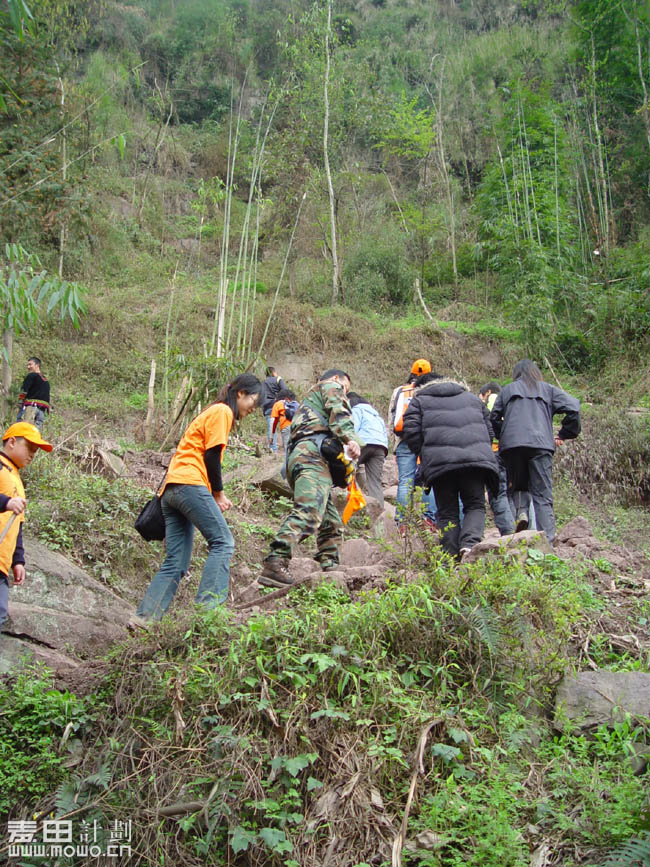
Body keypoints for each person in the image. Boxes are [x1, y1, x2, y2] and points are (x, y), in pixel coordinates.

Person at [134, 374, 261, 623]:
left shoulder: (212, 412)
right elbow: (212, 455)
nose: (253, 409)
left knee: (176, 561)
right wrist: (218, 494)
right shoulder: (223, 411)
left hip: (172, 489)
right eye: (254, 401)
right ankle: (208, 613)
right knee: (223, 542)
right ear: (241, 394)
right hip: (189, 483)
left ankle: (144, 619)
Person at [260, 369, 362, 587]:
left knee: (330, 520)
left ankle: (330, 563)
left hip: (301, 458)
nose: (344, 392)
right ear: (337, 379)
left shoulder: (308, 403)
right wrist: (350, 438)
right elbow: (339, 412)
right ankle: (275, 560)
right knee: (309, 513)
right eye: (345, 387)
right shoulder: (330, 386)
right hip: (311, 456)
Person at [402, 373, 499, 559]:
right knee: (475, 505)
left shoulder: (419, 401)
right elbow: (489, 430)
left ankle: (449, 557)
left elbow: (411, 432)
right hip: (474, 462)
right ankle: (470, 546)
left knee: (447, 511)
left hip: (440, 465)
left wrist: (426, 453)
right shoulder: (472, 398)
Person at [489, 359, 581, 543]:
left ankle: (521, 518)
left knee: (516, 486)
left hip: (512, 446)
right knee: (542, 494)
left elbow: (493, 417)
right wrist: (564, 433)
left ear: (516, 374)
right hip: (541, 445)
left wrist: (504, 435)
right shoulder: (548, 389)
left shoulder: (507, 390)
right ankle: (547, 540)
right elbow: (574, 408)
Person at [0, 422, 53, 634]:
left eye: (36, 451)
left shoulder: (16, 478)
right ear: (12, 442)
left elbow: (17, 524)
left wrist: (18, 560)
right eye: (29, 448)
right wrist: (5, 502)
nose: (33, 454)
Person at [388, 359, 438, 532]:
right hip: (426, 440)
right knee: (428, 479)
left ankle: (402, 522)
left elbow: (392, 419)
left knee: (405, 482)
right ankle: (428, 519)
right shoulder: (430, 390)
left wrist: (394, 446)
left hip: (403, 441)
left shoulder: (399, 391)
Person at [478, 382, 515, 536]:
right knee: (509, 493)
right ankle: (519, 529)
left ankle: (509, 533)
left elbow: (490, 425)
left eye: (480, 397)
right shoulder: (511, 402)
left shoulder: (493, 400)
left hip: (495, 452)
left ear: (487, 393)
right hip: (511, 452)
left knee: (497, 493)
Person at [347, 392, 388, 506]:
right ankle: (379, 512)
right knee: (375, 481)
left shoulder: (356, 410)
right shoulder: (377, 416)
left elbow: (352, 429)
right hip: (380, 447)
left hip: (363, 443)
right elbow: (385, 433)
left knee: (347, 471)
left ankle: (354, 502)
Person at [17, 356, 50, 430]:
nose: (28, 367)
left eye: (30, 364)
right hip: (42, 411)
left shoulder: (32, 375)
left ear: (37, 365)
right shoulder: (45, 380)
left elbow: (24, 390)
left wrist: (20, 403)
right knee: (36, 434)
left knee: (23, 431)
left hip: (31, 407)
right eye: (27, 365)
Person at [260, 366, 287, 452]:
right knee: (285, 426)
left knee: (272, 428)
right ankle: (287, 448)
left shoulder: (263, 383)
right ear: (273, 373)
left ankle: (273, 449)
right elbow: (285, 390)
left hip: (267, 407)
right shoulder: (278, 379)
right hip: (278, 406)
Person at [271, 388, 298, 455]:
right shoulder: (295, 404)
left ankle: (288, 464)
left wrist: (272, 435)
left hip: (285, 427)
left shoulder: (277, 404)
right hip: (297, 425)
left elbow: (273, 421)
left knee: (287, 450)